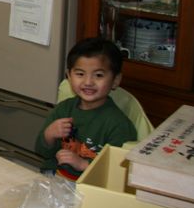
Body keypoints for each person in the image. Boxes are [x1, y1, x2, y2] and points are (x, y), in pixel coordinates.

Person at [35, 37, 137, 181]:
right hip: (53, 177)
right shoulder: (64, 109)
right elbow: (42, 152)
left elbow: (118, 173)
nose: (88, 82)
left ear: (115, 80)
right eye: (80, 74)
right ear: (69, 76)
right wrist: (49, 134)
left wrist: (83, 164)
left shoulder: (118, 125)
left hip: (90, 186)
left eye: (98, 75)